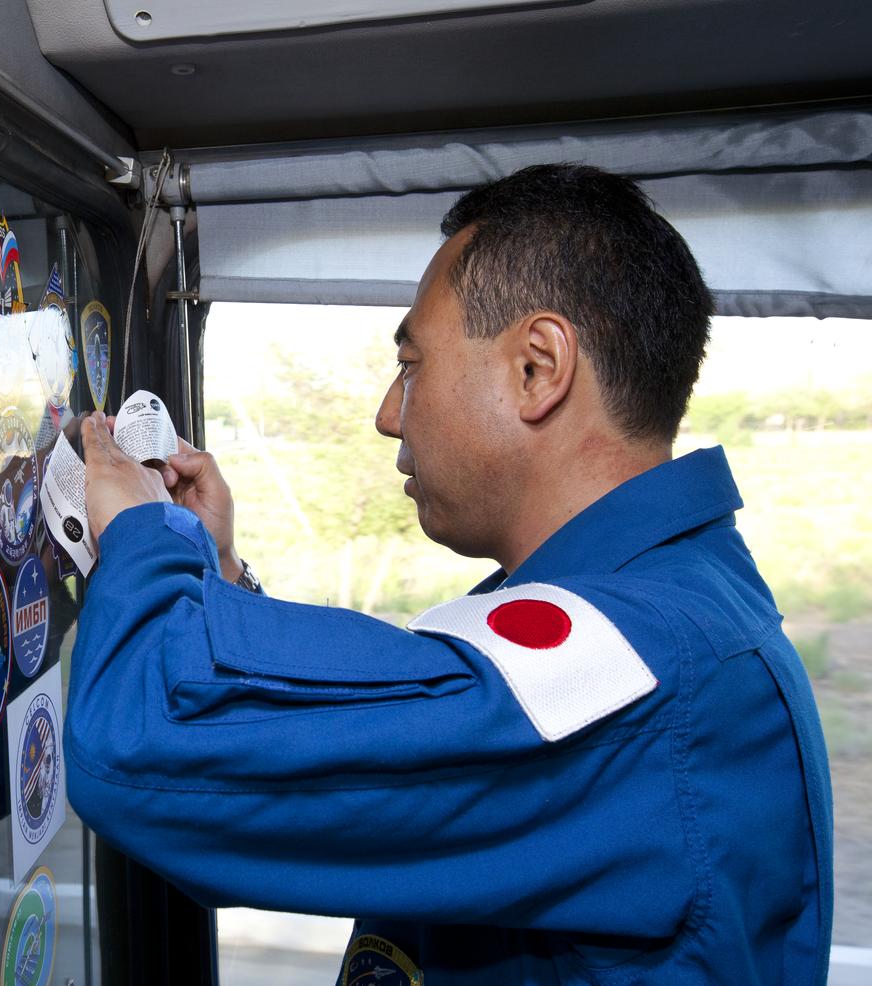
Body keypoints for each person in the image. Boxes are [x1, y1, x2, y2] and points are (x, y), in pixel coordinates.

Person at [65, 164, 833, 984]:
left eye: (413, 364)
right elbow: (391, 720)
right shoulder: (644, 602)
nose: (388, 413)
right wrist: (216, 583)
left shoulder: (644, 667)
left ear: (539, 368)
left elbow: (142, 751)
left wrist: (145, 534)